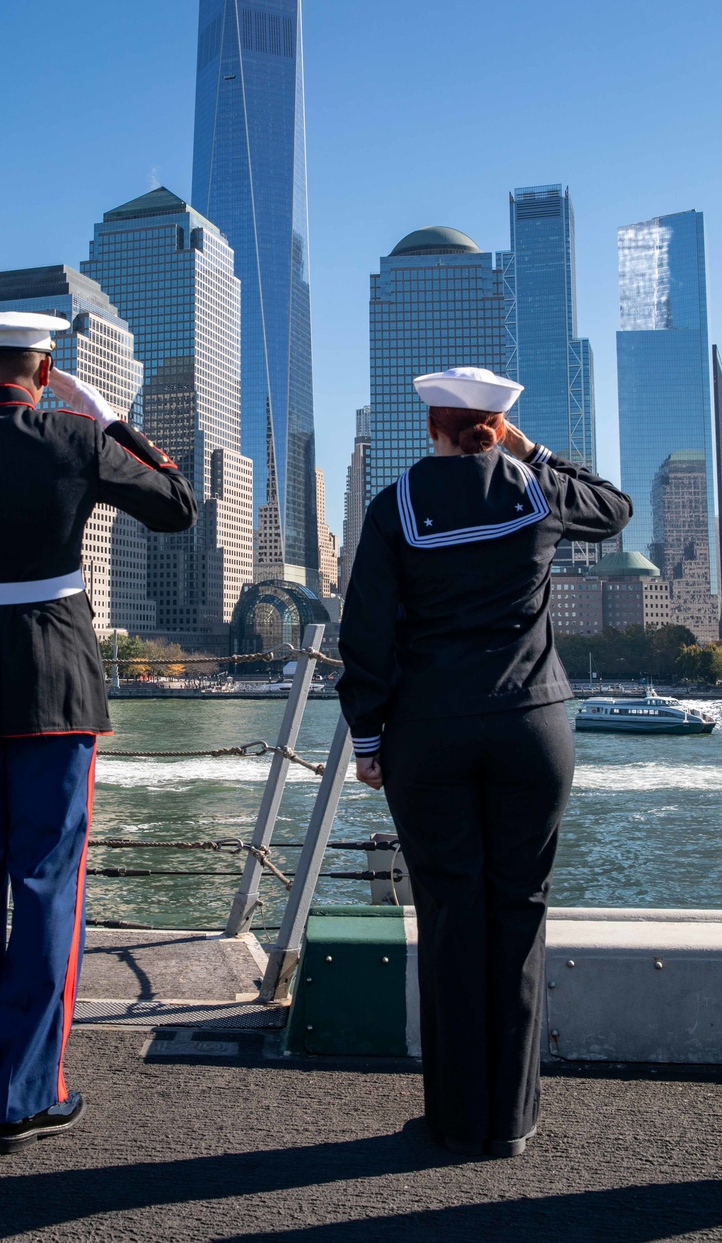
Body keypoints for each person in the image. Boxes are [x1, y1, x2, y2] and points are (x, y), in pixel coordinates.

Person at [0, 311, 197, 1153]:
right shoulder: (75, 440)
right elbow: (178, 508)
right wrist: (111, 421)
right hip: (59, 691)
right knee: (49, 886)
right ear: (45, 370)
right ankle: (25, 1099)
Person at [336, 366, 631, 1159]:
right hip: (531, 727)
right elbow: (615, 510)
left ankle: (456, 1117)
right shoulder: (535, 491)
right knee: (519, 910)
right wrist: (529, 449)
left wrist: (368, 739)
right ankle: (510, 1120)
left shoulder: (394, 505)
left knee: (449, 913)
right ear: (496, 425)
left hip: (428, 732)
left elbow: (365, 635)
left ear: (430, 424)